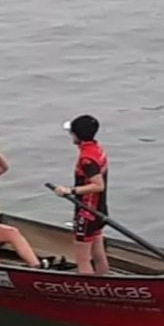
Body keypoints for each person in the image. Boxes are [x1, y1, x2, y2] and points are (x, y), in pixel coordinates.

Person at [53, 115, 110, 275]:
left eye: (71, 133)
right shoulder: (98, 150)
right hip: (99, 211)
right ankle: (103, 281)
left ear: (77, 135)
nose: (71, 136)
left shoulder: (86, 159)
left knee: (83, 259)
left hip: (87, 213)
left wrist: (70, 190)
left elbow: (98, 185)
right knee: (98, 253)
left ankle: (90, 292)